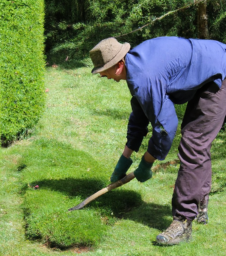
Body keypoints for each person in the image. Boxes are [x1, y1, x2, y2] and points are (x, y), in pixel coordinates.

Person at [89, 36, 226, 245]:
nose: (102, 76)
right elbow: (141, 113)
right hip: (209, 67)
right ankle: (199, 202)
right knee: (197, 142)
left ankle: (183, 221)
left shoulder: (144, 75)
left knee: (193, 143)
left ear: (118, 65)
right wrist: (125, 159)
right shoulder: (135, 65)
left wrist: (146, 162)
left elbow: (165, 127)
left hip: (219, 72)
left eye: (103, 70)